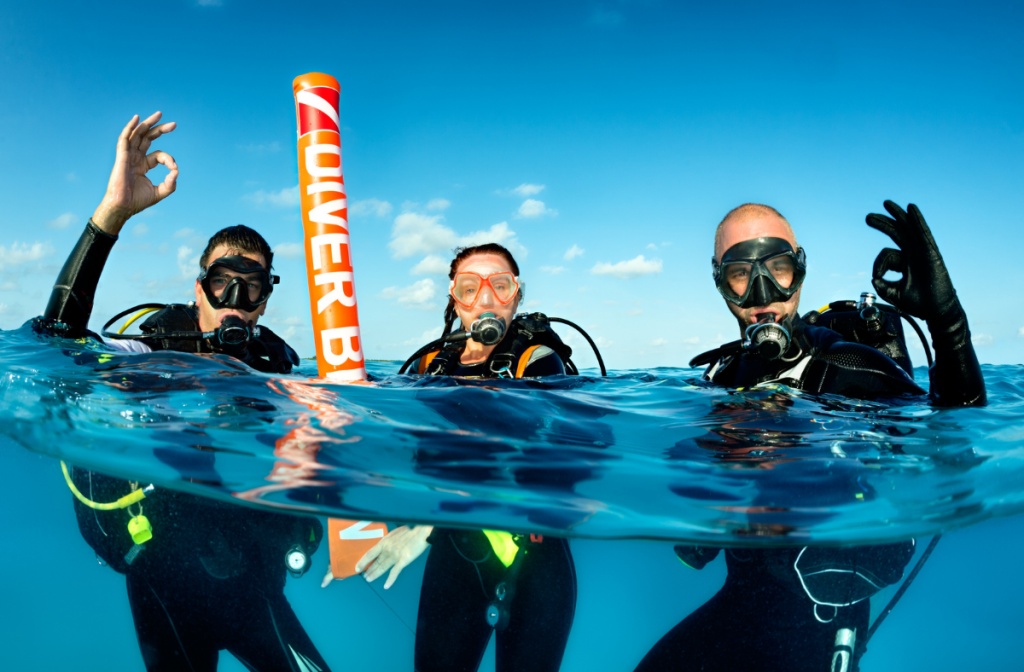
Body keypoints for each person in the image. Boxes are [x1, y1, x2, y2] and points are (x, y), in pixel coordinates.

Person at [35, 112, 332, 672]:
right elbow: (56, 346)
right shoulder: (152, 352)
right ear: (199, 289)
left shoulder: (279, 372)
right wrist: (111, 216)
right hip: (165, 584)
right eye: (224, 282)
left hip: (254, 588)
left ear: (266, 302)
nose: (235, 300)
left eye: (252, 288)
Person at [635, 202, 986, 671]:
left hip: (823, 619)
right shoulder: (721, 377)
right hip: (739, 608)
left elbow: (953, 436)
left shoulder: (849, 367)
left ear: (799, 269)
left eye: (778, 268)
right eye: (741, 273)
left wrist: (947, 323)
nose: (763, 293)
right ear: (720, 283)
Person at [339, 243, 578, 672]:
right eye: (470, 288)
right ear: (455, 300)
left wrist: (425, 526)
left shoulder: (539, 362)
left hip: (536, 562)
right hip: (456, 557)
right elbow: (379, 431)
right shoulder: (430, 365)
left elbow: (533, 462)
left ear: (518, 297)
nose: (486, 300)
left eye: (500, 287)